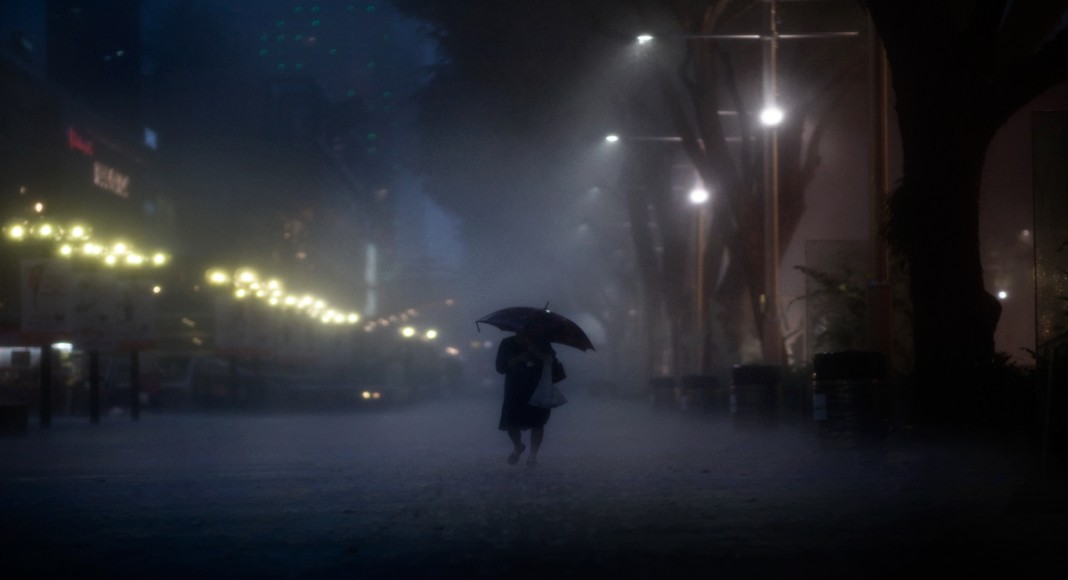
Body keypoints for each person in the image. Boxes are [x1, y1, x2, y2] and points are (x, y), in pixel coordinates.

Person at [496, 327, 565, 467]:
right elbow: (500, 367)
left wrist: (539, 354)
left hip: (538, 386)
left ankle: (533, 455)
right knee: (511, 422)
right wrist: (519, 359)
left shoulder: (542, 343)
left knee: (538, 422)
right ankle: (518, 446)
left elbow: (552, 361)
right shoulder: (507, 343)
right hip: (515, 388)